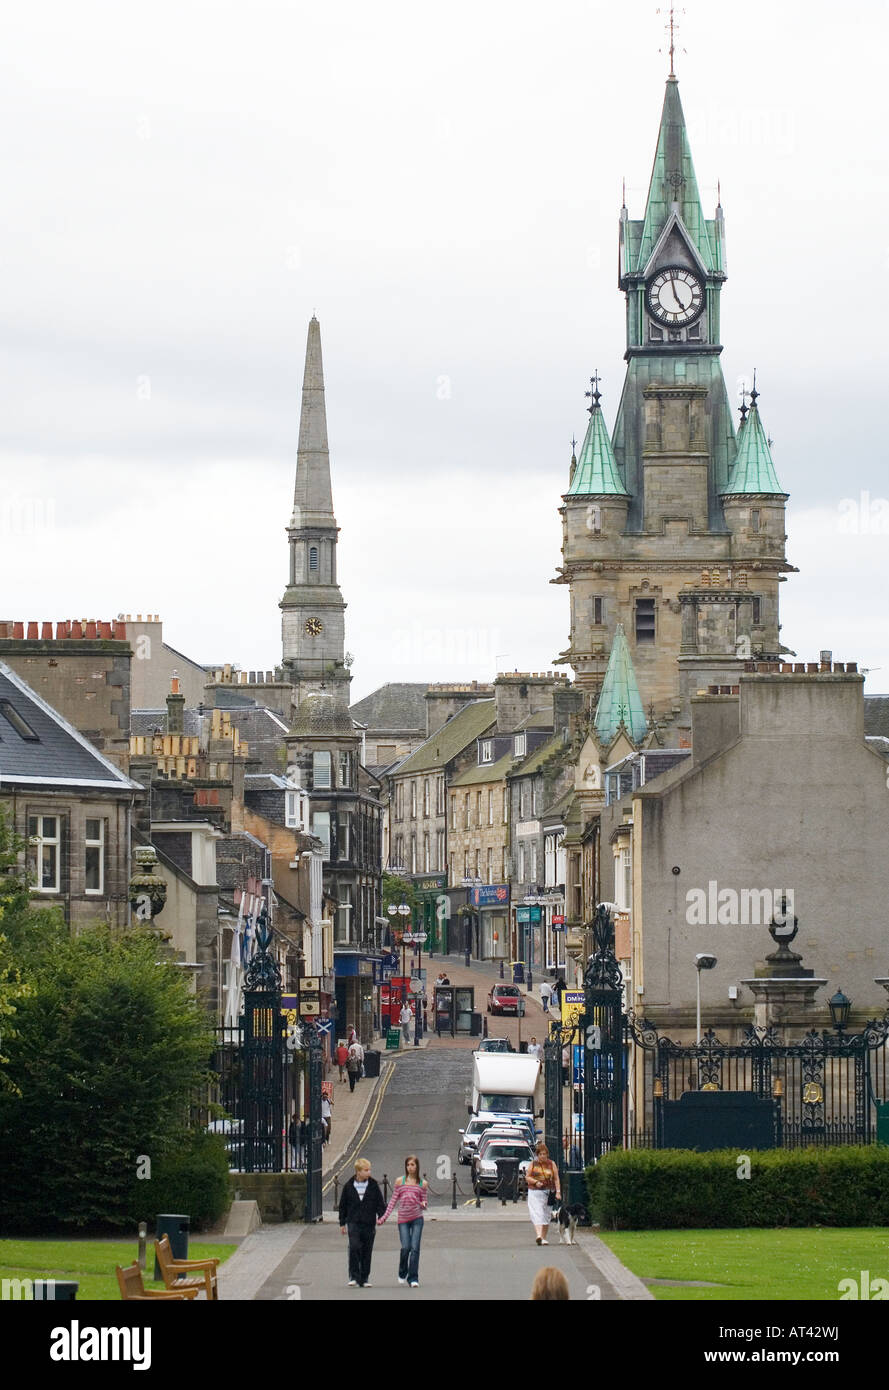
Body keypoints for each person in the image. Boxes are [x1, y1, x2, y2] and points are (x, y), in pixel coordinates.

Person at [378, 1154, 428, 1287]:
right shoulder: (400, 1181)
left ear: (417, 1166)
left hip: (417, 1218)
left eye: (413, 1165)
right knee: (406, 1247)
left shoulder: (422, 1183)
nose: (410, 1167)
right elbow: (393, 1202)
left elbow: (424, 1202)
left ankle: (413, 1278)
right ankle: (402, 1271)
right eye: (408, 1165)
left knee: (415, 1248)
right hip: (403, 1220)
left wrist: (421, 1203)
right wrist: (383, 1218)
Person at [338, 1157, 386, 1287]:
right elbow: (343, 1205)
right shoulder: (348, 1186)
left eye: (369, 1170)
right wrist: (342, 1223)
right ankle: (354, 1275)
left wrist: (381, 1216)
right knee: (354, 1247)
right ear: (358, 1172)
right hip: (353, 1221)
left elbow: (380, 1204)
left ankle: (364, 1278)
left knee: (366, 1250)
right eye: (366, 1170)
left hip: (369, 1222)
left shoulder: (373, 1185)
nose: (369, 1172)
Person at [526, 1141, 560, 1246]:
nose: (542, 1156)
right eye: (540, 1154)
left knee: (546, 1215)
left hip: (548, 1192)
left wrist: (558, 1192)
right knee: (537, 1213)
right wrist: (536, 1182)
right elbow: (527, 1177)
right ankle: (539, 1236)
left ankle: (543, 1237)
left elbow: (556, 1179)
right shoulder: (533, 1164)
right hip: (534, 1192)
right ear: (537, 1155)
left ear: (547, 1154)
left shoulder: (552, 1164)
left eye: (544, 1154)